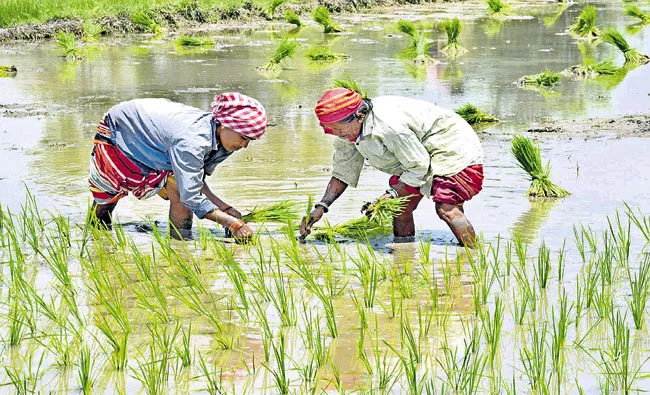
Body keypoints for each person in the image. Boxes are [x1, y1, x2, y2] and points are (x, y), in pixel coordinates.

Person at [299, 88, 483, 246]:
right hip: (415, 154)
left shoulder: (389, 126)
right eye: (332, 131)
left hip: (450, 143)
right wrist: (321, 207)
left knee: (446, 208)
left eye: (338, 130)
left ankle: (473, 258)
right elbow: (342, 173)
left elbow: (418, 165)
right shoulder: (348, 133)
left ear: (359, 117)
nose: (337, 135)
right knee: (400, 208)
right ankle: (404, 253)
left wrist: (391, 193)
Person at [88, 92, 268, 241]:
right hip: (123, 129)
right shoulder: (192, 142)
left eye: (249, 140)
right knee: (108, 195)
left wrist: (225, 209)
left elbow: (195, 181)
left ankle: (180, 244)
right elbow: (192, 196)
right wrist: (233, 223)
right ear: (225, 124)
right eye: (243, 138)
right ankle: (95, 232)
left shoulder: (225, 143)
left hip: (161, 141)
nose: (244, 146)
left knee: (179, 190)